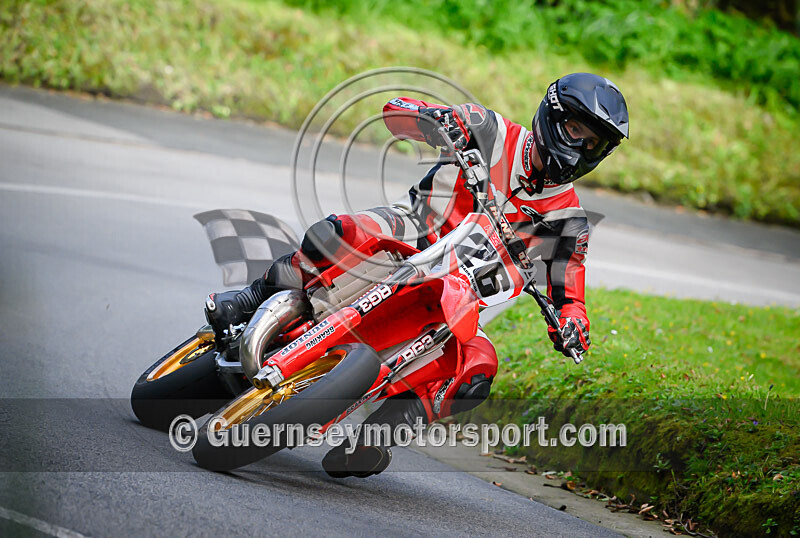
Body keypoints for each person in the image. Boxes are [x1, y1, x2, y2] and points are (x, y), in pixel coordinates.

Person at [205, 73, 629, 478]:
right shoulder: (490, 129)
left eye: (594, 144)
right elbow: (397, 111)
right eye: (577, 131)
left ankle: (378, 437)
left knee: (479, 369)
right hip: (408, 235)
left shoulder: (570, 223)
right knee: (340, 232)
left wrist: (573, 325)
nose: (582, 148)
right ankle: (248, 298)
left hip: (455, 296)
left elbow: (571, 291)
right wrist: (432, 118)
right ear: (554, 116)